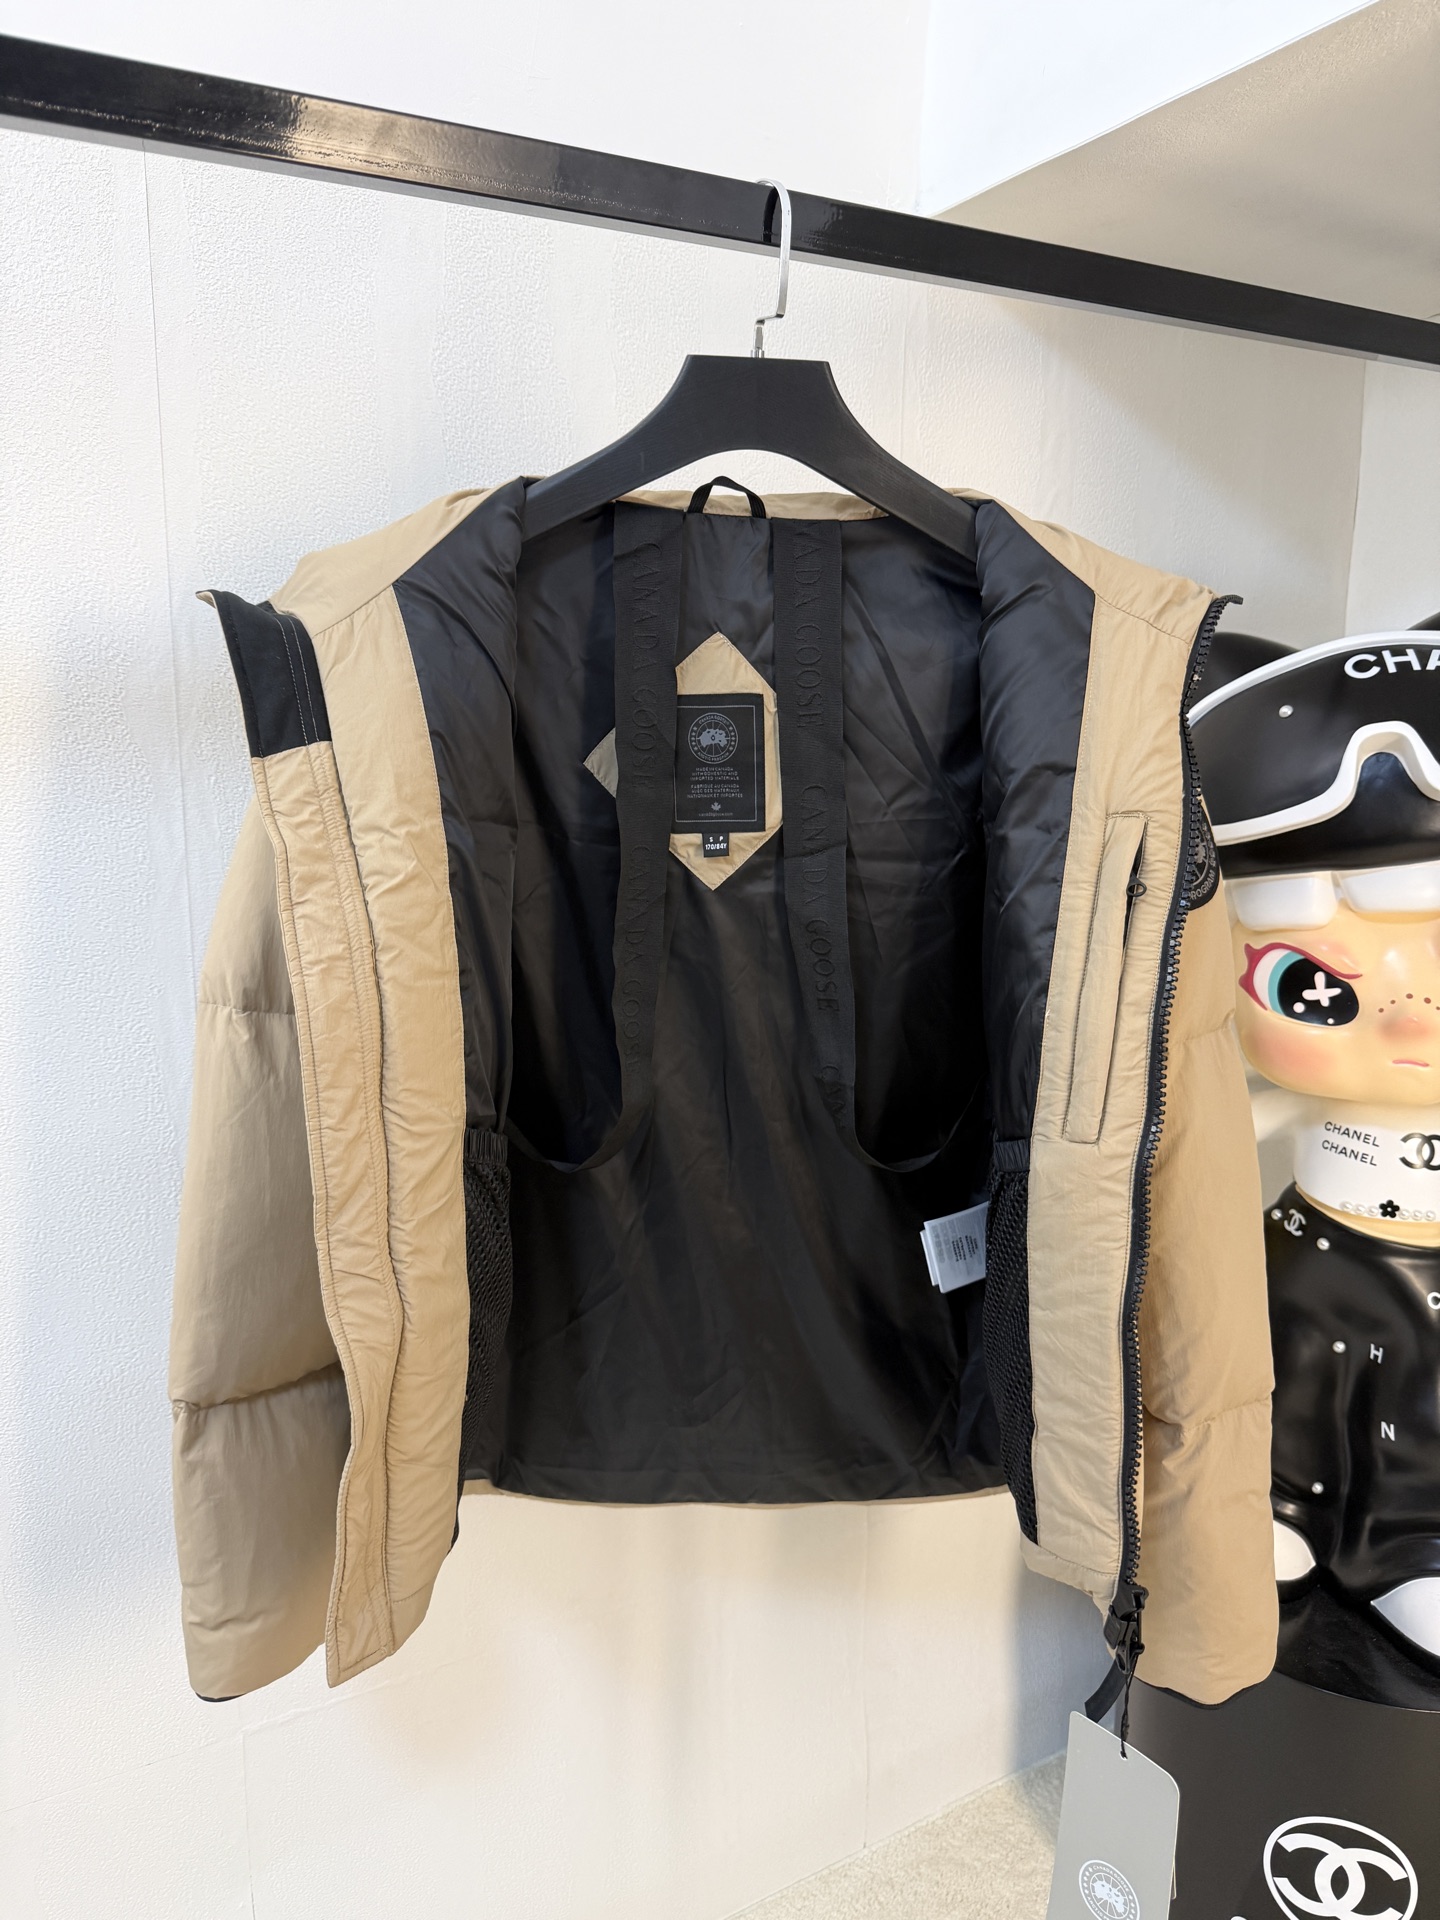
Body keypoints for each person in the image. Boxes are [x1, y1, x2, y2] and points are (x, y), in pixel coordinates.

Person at [1192, 620, 1440, 1664]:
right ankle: (1280, 1503)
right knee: (1283, 1366)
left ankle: (1412, 1544)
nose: (1410, 1026)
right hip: (1311, 1233)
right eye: (1311, 986)